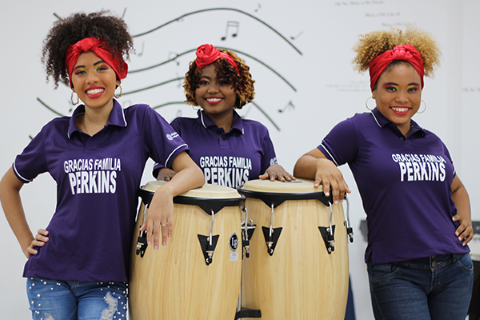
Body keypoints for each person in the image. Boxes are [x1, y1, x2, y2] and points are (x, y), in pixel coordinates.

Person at [0, 11, 204, 319]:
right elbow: (8, 184)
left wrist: (166, 192)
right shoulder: (55, 133)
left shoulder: (141, 120)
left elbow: (194, 172)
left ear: (118, 73)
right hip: (50, 274)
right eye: (80, 71)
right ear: (71, 81)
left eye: (101, 67)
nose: (91, 79)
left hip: (107, 277)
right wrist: (26, 240)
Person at [293, 26, 474, 319]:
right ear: (374, 88)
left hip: (455, 267)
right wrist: (324, 163)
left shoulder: (432, 141)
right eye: (391, 88)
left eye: (412, 89)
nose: (402, 98)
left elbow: (456, 187)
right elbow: (302, 163)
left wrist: (464, 217)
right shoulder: (357, 129)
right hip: (397, 271)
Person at [153, 44, 294, 185]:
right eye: (204, 82)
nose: (212, 89)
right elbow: (163, 171)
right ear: (193, 88)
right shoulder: (180, 128)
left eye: (223, 82)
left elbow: (269, 174)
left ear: (240, 88)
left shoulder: (258, 132)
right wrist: (166, 173)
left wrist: (274, 169)